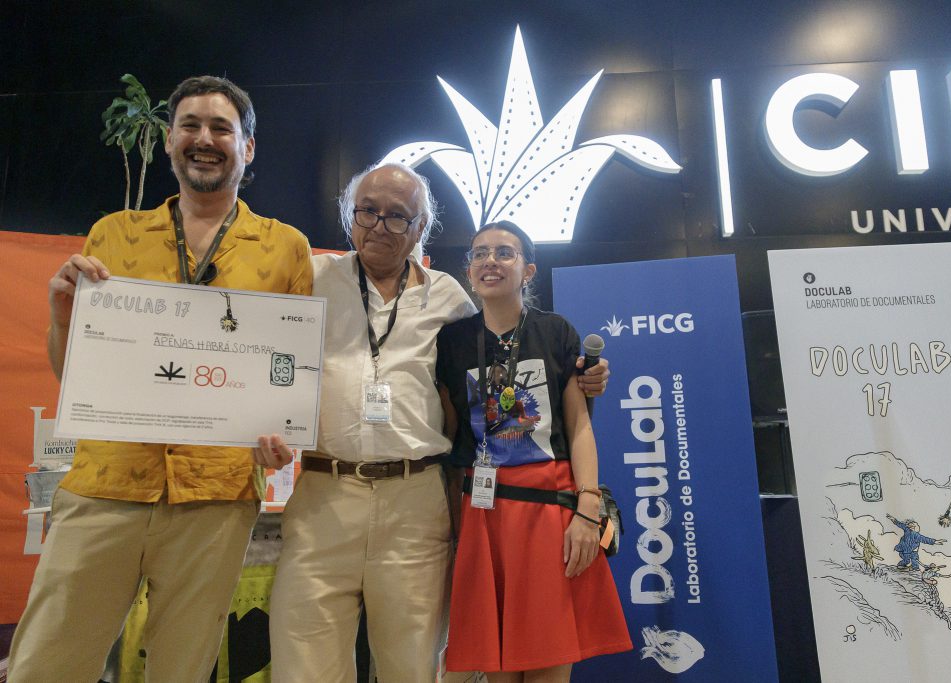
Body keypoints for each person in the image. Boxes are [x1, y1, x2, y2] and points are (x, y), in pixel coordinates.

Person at [8, 75, 313, 683]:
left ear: (247, 147)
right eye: (190, 125)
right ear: (170, 139)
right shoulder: (113, 235)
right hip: (105, 485)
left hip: (216, 498)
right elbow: (75, 377)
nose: (205, 139)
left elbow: (289, 371)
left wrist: (282, 436)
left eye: (221, 128)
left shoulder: (285, 248)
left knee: (182, 669)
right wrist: (63, 316)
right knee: (46, 664)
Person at [254, 164, 609, 682]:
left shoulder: (449, 300)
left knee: (416, 667)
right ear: (349, 218)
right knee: (304, 665)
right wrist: (259, 423)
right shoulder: (308, 279)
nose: (380, 225)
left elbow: (474, 401)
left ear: (421, 228)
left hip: (416, 499)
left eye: (398, 216)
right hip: (323, 496)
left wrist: (588, 377)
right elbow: (259, 348)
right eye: (368, 211)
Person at [435, 221, 632, 681]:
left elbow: (579, 425)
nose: (490, 261)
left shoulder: (555, 332)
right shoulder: (452, 341)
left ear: (528, 270)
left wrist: (588, 508)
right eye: (479, 253)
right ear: (469, 270)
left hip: (550, 511)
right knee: (497, 666)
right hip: (484, 515)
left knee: (549, 659)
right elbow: (450, 433)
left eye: (504, 252)